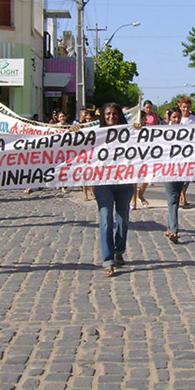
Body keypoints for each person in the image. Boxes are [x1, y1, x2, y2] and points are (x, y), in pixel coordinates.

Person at [73, 102, 135, 277]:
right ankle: (108, 260)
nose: (111, 117)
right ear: (103, 116)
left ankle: (119, 250)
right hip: (102, 182)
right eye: (107, 114)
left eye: (114, 114)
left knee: (123, 219)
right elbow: (78, 144)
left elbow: (144, 143)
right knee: (105, 218)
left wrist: (139, 128)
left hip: (124, 181)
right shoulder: (94, 135)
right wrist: (75, 131)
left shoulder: (130, 133)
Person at [132, 100, 161, 209]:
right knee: (134, 179)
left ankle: (141, 195)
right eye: (144, 119)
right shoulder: (134, 128)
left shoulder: (153, 119)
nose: (146, 120)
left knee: (146, 176)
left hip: (148, 153)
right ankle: (133, 201)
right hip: (136, 154)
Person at [162, 108, 184, 243]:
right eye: (174, 117)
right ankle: (175, 231)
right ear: (169, 118)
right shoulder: (163, 131)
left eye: (178, 117)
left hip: (181, 170)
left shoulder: (186, 131)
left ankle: (170, 227)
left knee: (175, 197)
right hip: (167, 170)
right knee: (173, 199)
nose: (176, 120)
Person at [177, 96, 195, 207]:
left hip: (191, 152)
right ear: (180, 107)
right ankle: (182, 197)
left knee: (188, 177)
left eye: (188, 107)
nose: (186, 109)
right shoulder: (176, 119)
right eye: (184, 107)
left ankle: (183, 194)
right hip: (179, 152)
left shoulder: (194, 120)